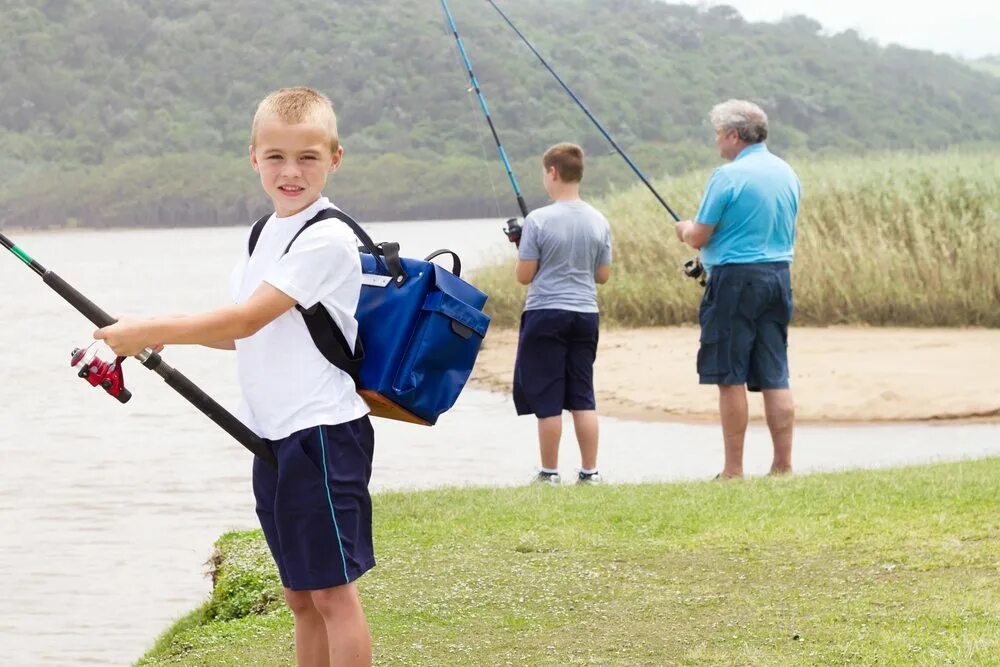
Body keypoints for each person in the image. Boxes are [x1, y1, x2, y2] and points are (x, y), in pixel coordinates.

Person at [95, 87, 375, 666]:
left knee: (333, 595)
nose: (290, 172)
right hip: (271, 436)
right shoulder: (261, 234)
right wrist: (147, 333)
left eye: (308, 158)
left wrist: (147, 329)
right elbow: (236, 333)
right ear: (253, 158)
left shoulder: (327, 237)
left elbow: (246, 318)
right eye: (275, 157)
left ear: (335, 159)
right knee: (300, 597)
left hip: (322, 435)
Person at [675, 99, 801, 480]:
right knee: (775, 373)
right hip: (778, 277)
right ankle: (782, 466)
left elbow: (699, 234)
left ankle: (733, 470)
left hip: (734, 281)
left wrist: (682, 229)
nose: (717, 142)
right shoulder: (787, 172)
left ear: (733, 135)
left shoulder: (727, 176)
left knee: (729, 375)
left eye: (718, 134)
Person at [512, 142, 613, 485]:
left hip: (545, 313)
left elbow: (524, 275)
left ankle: (550, 472)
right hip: (586, 313)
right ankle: (590, 471)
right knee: (583, 393)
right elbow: (602, 275)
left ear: (552, 172)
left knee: (548, 395)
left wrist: (521, 245)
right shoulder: (599, 220)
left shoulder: (538, 221)